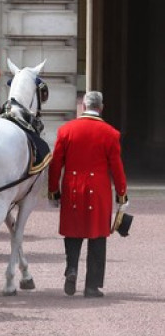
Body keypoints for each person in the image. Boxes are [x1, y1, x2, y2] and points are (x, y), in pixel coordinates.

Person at [48, 91, 129, 298]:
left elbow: (56, 164)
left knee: (73, 233)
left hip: (73, 187)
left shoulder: (66, 130)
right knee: (98, 237)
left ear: (83, 107)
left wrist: (53, 190)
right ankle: (92, 286)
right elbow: (117, 168)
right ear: (101, 108)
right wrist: (122, 193)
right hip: (98, 191)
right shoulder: (110, 133)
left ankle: (72, 269)